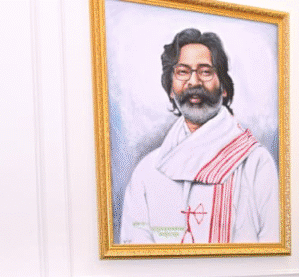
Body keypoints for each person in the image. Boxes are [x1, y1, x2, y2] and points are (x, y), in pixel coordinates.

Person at [119, 28, 279, 244]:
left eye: (205, 72)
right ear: (171, 90)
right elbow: (134, 247)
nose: (194, 82)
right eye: (182, 72)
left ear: (224, 87)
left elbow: (273, 244)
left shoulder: (255, 164)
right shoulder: (147, 172)